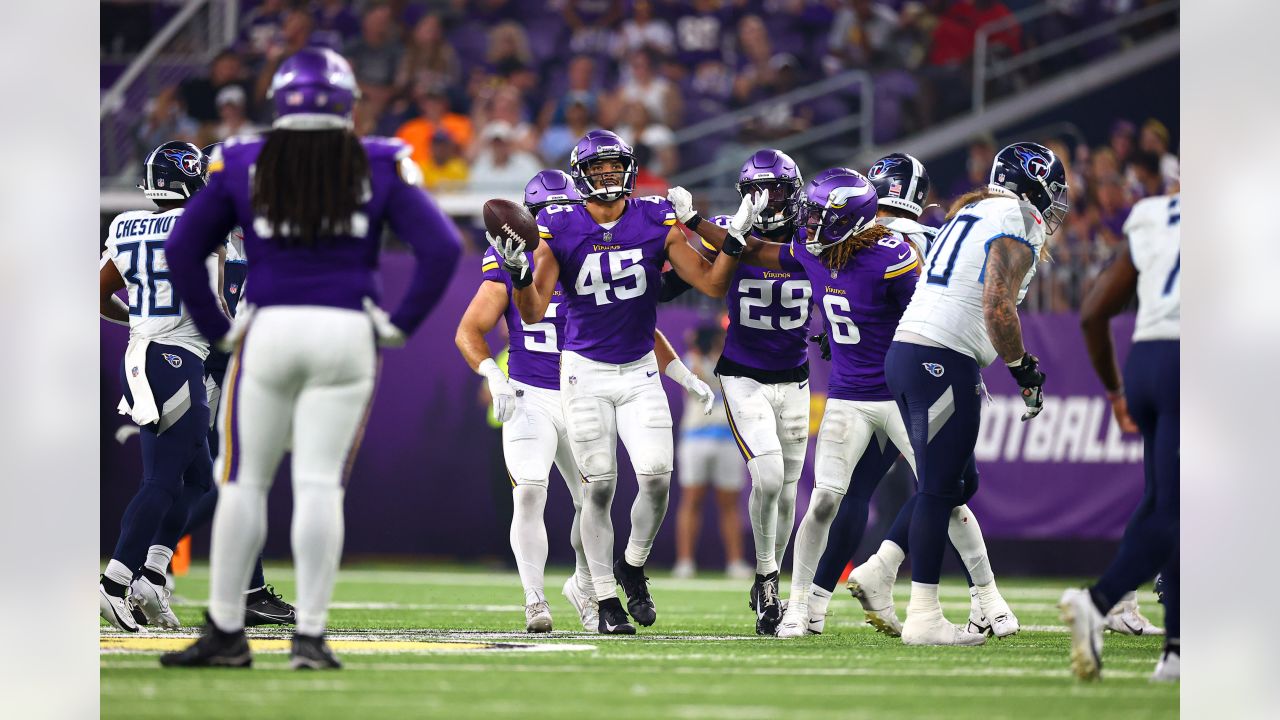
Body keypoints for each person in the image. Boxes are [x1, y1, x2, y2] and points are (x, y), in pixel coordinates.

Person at [158, 48, 462, 670]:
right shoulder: (381, 159)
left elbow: (184, 248)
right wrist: (400, 324)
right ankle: (312, 638)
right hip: (347, 330)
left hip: (269, 328)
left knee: (244, 481)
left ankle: (225, 631)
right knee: (320, 483)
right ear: (346, 102)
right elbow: (442, 247)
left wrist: (219, 328)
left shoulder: (241, 157)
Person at [486, 129, 760, 634]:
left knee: (657, 478)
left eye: (617, 166)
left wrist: (734, 241)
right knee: (599, 489)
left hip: (639, 371)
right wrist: (520, 273)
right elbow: (533, 309)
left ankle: (631, 566)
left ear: (630, 169)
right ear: (581, 177)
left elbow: (713, 282)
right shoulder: (558, 224)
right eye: (600, 168)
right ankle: (605, 601)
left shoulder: (655, 216)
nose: (609, 175)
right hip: (583, 372)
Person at [810, 153, 1016, 640]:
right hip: (921, 372)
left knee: (858, 493)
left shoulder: (849, 235)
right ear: (919, 195)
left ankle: (816, 605)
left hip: (861, 379)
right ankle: (983, 597)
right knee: (949, 484)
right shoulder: (930, 237)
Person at [884, 142, 1063, 645]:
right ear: (1033, 187)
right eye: (1051, 191)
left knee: (958, 483)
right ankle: (923, 615)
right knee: (939, 488)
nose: (1055, 203)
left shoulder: (975, 209)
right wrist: (1022, 369)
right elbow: (997, 306)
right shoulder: (1018, 218)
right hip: (940, 357)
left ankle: (884, 567)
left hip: (910, 352)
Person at [667, 149, 813, 635]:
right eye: (759, 191)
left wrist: (699, 222)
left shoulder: (810, 237)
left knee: (789, 489)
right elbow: (711, 273)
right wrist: (702, 230)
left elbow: (755, 251)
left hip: (794, 377)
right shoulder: (731, 228)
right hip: (744, 374)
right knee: (768, 478)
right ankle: (767, 572)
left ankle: (769, 579)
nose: (768, 201)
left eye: (777, 191)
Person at [98, 142, 221, 633]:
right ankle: (114, 583)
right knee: (163, 479)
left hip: (151, 352)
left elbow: (99, 291)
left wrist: (138, 323)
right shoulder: (200, 224)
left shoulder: (125, 223)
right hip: (174, 356)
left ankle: (150, 575)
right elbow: (213, 296)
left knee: (197, 480)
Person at [1063, 191, 1180, 682]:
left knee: (1165, 503)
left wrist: (1115, 390)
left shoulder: (1156, 212)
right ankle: (1099, 601)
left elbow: (1093, 312)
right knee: (1183, 511)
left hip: (1148, 361)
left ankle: (1177, 651)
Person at [671, 324, 753, 583]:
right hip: (695, 439)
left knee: (729, 504)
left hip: (728, 440)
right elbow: (697, 381)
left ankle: (735, 562)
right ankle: (684, 562)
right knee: (691, 500)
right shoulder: (691, 360)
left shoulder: (733, 363)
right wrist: (694, 346)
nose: (723, 340)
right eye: (719, 336)